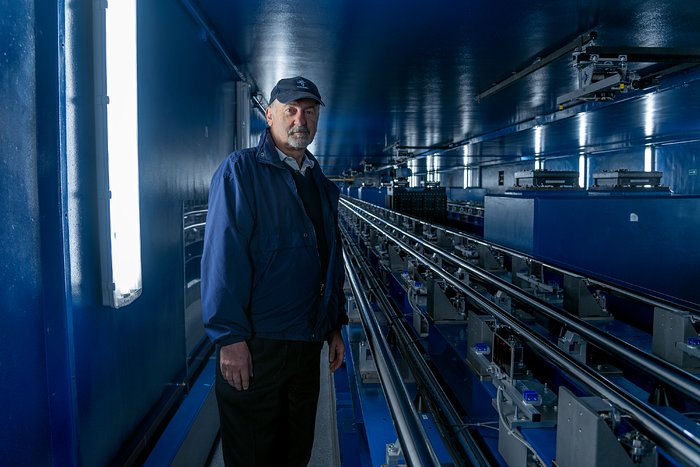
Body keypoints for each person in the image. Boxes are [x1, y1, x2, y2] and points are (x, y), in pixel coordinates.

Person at [201, 76, 348, 467]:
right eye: (291, 110)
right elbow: (222, 258)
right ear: (270, 115)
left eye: (310, 111)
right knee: (253, 454)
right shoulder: (241, 172)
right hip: (256, 346)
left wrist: (334, 324)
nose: (301, 119)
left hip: (306, 345)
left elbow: (329, 260)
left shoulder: (320, 184)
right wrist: (229, 338)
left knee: (294, 451)